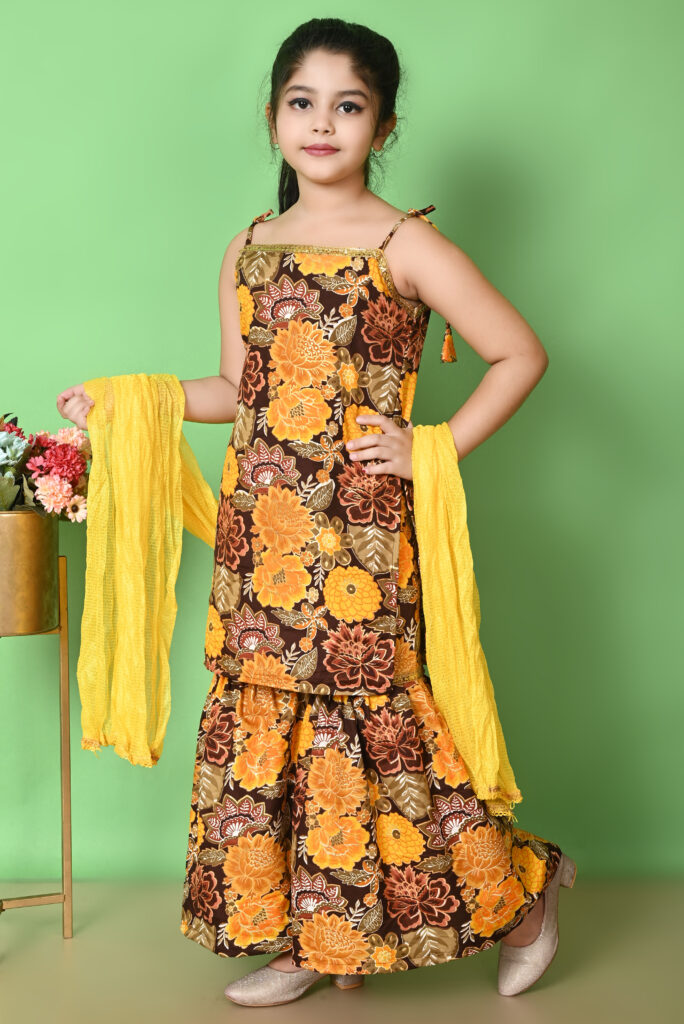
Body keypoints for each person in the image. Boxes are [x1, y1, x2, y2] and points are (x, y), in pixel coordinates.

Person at [56, 15, 576, 1008]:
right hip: (260, 538)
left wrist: (431, 447)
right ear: (273, 118)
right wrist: (129, 398)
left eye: (349, 106)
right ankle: (305, 935)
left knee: (378, 733)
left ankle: (527, 893)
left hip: (361, 537)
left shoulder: (404, 243)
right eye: (303, 103)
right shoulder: (250, 246)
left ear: (384, 126)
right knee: (274, 740)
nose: (323, 123)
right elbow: (235, 390)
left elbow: (520, 353)